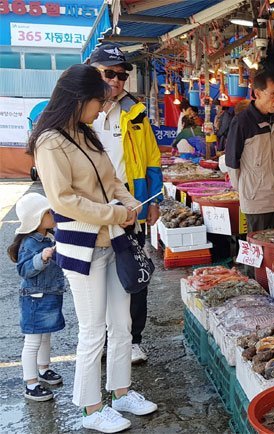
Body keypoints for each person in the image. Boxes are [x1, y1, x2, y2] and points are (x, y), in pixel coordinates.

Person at [28, 64, 157, 433]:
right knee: (92, 330)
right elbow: (63, 200)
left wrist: (130, 203)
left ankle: (121, 393)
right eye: (98, 102)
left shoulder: (86, 134)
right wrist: (113, 214)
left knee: (122, 323)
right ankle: (90, 408)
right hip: (83, 246)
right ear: (78, 99)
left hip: (112, 240)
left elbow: (112, 180)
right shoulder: (50, 142)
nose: (102, 109)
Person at [90, 44, 163, 364]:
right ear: (93, 73)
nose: (117, 80)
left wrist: (153, 201)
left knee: (134, 273)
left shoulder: (136, 112)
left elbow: (152, 159)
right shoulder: (78, 112)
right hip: (90, 209)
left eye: (121, 75)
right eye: (110, 73)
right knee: (96, 275)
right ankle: (101, 337)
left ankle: (133, 339)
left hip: (130, 207)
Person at [8, 193, 66, 402]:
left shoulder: (49, 236)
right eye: (48, 212)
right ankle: (30, 383)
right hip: (35, 298)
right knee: (33, 341)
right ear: (36, 219)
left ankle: (44, 369)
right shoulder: (30, 243)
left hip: (49, 294)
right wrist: (42, 257)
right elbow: (24, 269)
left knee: (45, 336)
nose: (52, 215)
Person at [225, 71, 274, 233]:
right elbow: (232, 162)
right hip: (256, 202)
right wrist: (247, 192)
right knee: (258, 248)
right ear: (258, 93)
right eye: (273, 94)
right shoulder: (242, 122)